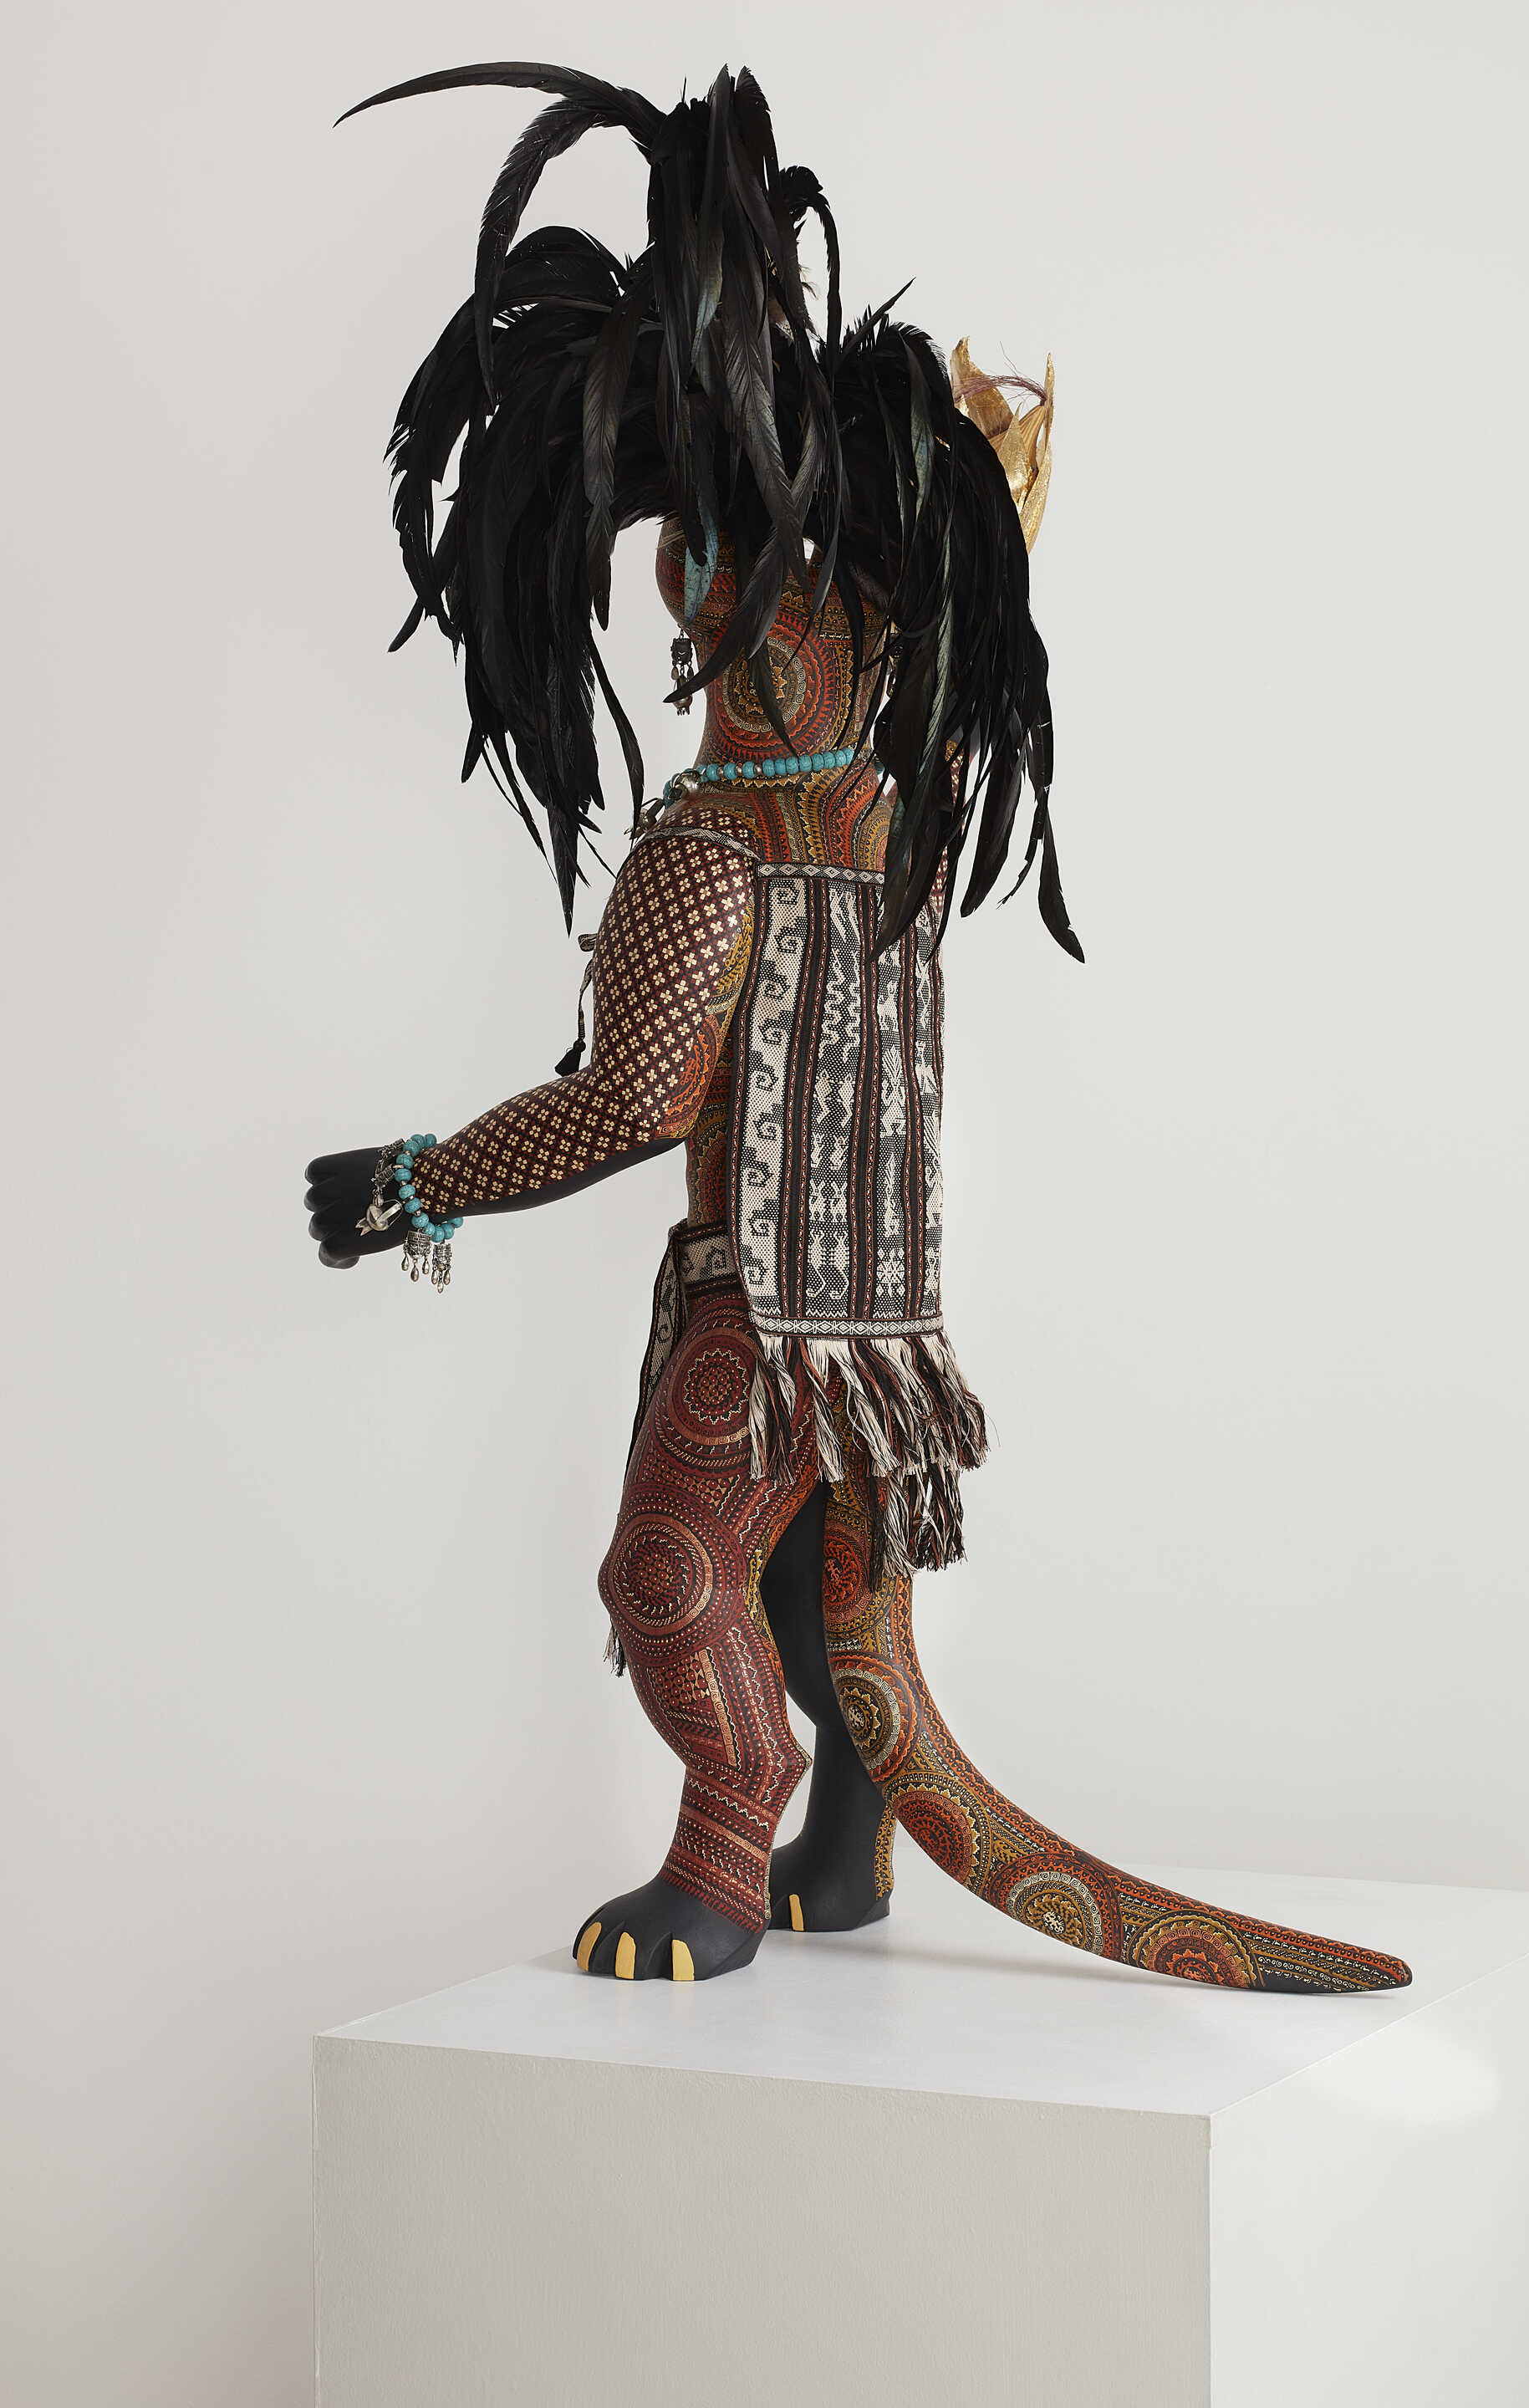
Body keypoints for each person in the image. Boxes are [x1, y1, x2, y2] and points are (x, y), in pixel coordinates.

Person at [305, 59, 1409, 1993]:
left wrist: (414, 1182)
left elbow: (629, 1101)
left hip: (764, 1310)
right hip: (884, 1337)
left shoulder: (717, 845)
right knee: (833, 1629)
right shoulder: (893, 823)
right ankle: (850, 1835)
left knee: (673, 1581)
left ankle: (731, 1849)